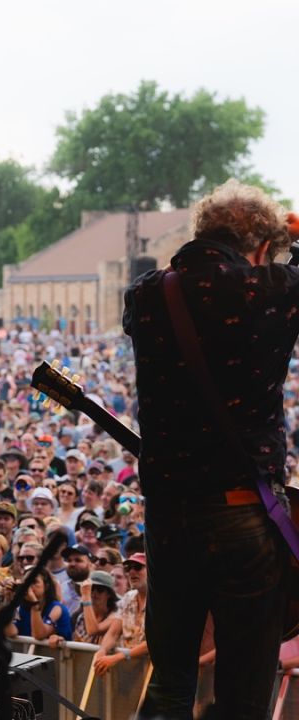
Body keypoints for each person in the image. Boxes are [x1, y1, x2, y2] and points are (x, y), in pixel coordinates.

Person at [123, 180, 298, 719]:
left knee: (171, 679)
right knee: (244, 692)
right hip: (240, 512)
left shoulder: (147, 293)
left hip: (170, 516)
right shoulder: (266, 291)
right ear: (261, 248)